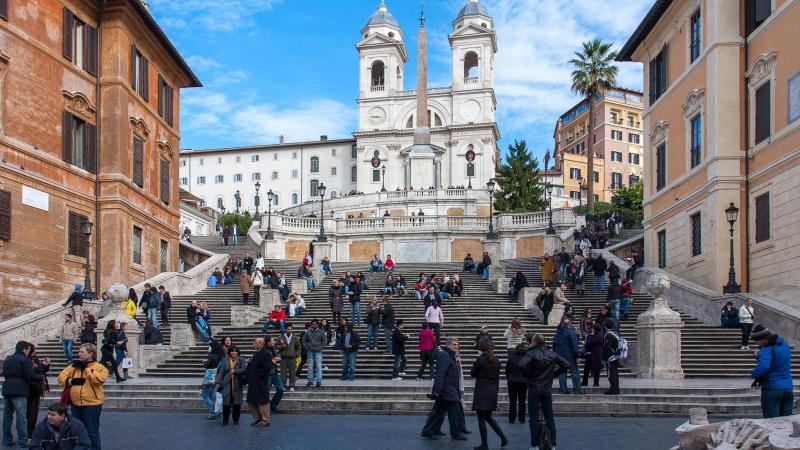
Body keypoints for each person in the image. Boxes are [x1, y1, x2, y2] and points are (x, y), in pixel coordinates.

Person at [520, 334, 570, 450]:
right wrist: (553, 375)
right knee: (549, 417)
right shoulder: (552, 354)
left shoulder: (532, 353)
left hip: (534, 387)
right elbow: (566, 365)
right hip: (546, 387)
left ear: (534, 342)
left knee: (534, 418)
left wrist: (528, 375)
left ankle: (535, 445)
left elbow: (521, 364)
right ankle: (553, 444)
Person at [57, 344, 107, 450]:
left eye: (82, 352)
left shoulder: (99, 367)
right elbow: (61, 377)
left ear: (90, 354)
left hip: (92, 405)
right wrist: (72, 381)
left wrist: (87, 370)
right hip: (76, 404)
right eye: (79, 351)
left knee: (91, 432)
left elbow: (99, 380)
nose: (78, 353)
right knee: (76, 431)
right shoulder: (75, 366)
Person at [420, 338, 467, 441]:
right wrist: (436, 390)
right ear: (448, 345)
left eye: (457, 345)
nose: (456, 347)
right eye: (454, 345)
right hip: (447, 389)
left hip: (448, 389)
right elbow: (440, 374)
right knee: (454, 411)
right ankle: (455, 433)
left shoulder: (450, 355)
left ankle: (428, 431)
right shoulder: (445, 355)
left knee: (438, 412)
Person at [3, 341, 42, 447]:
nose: (29, 351)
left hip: (7, 389)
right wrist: (40, 377)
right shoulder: (25, 360)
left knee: (7, 416)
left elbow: (4, 373)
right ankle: (23, 442)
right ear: (24, 349)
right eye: (28, 349)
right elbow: (30, 376)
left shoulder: (8, 359)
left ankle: (6, 439)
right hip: (19, 390)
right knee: (21, 417)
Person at [470, 340, 508, 450]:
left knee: (481, 419)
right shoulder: (496, 360)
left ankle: (484, 444)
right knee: (488, 417)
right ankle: (503, 437)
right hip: (492, 390)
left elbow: (473, 373)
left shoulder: (481, 360)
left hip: (482, 390)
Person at [750, 325, 794, 418]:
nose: (756, 344)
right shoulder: (784, 345)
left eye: (756, 341)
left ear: (761, 338)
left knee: (772, 421)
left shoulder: (766, 349)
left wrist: (754, 374)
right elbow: (779, 361)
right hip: (788, 388)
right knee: (787, 421)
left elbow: (763, 367)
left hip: (772, 389)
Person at [215, 345, 246, 425]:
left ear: (238, 352)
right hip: (226, 384)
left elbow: (244, 369)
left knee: (236, 403)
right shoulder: (225, 360)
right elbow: (221, 372)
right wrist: (218, 382)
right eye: (232, 351)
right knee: (226, 403)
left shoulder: (241, 360)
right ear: (229, 352)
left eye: (235, 351)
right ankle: (225, 420)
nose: (234, 352)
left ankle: (236, 420)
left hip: (237, 384)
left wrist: (235, 371)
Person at [245, 338, 273, 427]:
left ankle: (265, 420)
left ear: (261, 343)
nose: (254, 344)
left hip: (260, 380)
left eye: (255, 343)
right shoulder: (257, 353)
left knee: (262, 400)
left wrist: (260, 375)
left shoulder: (266, 353)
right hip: (253, 380)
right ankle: (257, 418)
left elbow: (268, 367)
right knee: (251, 400)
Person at [26, 344, 50, 439]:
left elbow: (40, 370)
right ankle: (29, 433)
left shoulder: (34, 358)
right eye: (33, 351)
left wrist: (45, 366)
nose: (35, 352)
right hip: (32, 389)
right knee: (30, 412)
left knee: (34, 412)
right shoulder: (27, 361)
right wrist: (43, 366)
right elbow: (36, 372)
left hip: (37, 389)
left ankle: (31, 431)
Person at [553, 318, 582, 395]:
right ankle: (577, 389)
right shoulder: (571, 333)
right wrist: (577, 356)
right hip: (570, 356)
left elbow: (554, 345)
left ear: (562, 324)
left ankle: (563, 390)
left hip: (559, 356)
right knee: (574, 372)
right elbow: (574, 345)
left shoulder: (557, 333)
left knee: (562, 373)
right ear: (569, 324)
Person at [505, 342, 528, 425]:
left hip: (512, 381)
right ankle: (522, 418)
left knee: (512, 401)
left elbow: (507, 370)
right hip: (523, 382)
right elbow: (528, 371)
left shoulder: (511, 359)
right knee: (522, 401)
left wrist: (509, 377)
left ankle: (512, 418)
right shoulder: (526, 359)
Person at [278, 324, 302, 392]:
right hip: (283, 358)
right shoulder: (280, 337)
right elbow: (275, 346)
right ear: (285, 329)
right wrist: (281, 346)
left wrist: (297, 354)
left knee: (292, 372)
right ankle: (283, 385)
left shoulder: (295, 337)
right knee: (283, 373)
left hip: (292, 358)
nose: (290, 330)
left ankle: (292, 386)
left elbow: (299, 347)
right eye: (288, 329)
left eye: (291, 329)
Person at [302, 319, 326, 387]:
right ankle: (310, 380)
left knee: (318, 366)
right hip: (310, 351)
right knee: (310, 366)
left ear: (318, 325)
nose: (314, 325)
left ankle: (318, 381)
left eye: (315, 324)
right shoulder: (307, 332)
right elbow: (304, 341)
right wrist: (307, 347)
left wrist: (320, 348)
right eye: (313, 324)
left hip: (318, 351)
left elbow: (324, 341)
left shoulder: (321, 332)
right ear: (311, 325)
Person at [603, 319, 621, 395]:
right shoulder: (615, 333)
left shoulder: (608, 335)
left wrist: (605, 358)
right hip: (615, 356)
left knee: (611, 373)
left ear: (605, 326)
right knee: (615, 372)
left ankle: (613, 389)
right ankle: (616, 388)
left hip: (610, 357)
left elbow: (607, 347)